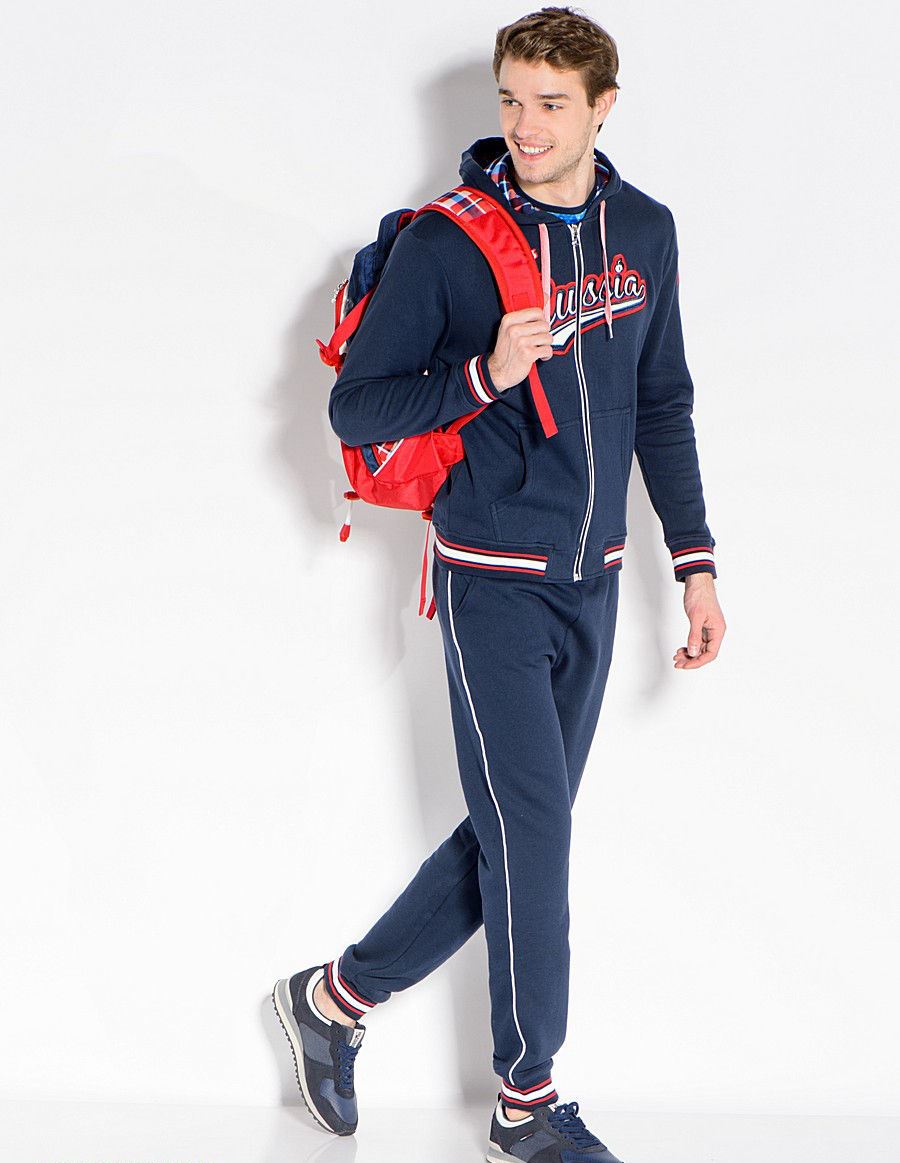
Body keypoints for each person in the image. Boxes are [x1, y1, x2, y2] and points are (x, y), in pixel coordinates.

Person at [273, 7, 727, 1159]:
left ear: (603, 107)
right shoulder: (450, 245)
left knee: (517, 831)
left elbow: (663, 401)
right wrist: (483, 372)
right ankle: (526, 1104)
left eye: (552, 104)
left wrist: (695, 559)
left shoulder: (646, 231)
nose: (526, 126)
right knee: (535, 838)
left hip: (596, 578)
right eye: (512, 100)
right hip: (492, 578)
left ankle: (331, 998)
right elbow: (357, 406)